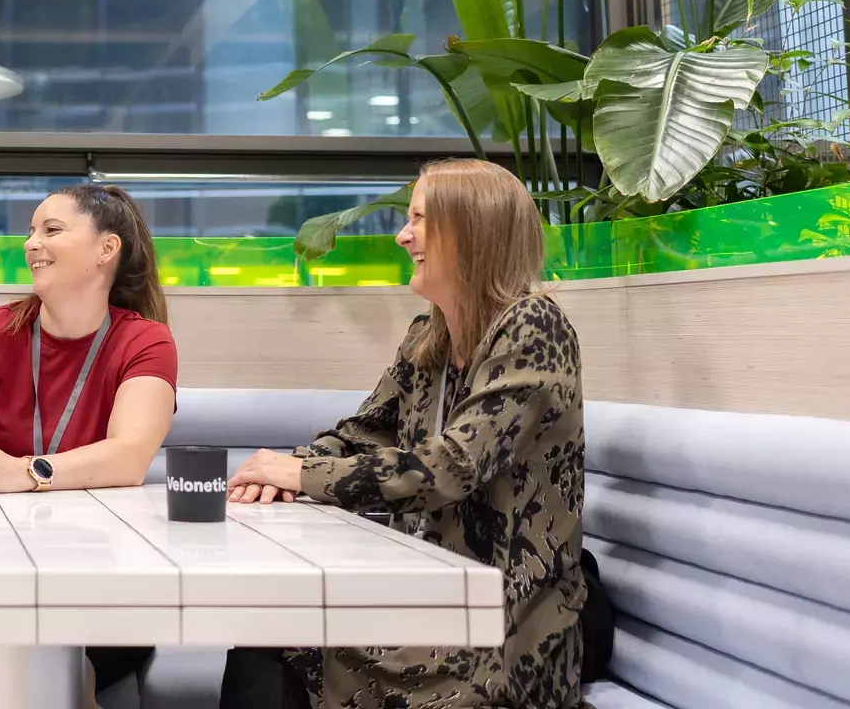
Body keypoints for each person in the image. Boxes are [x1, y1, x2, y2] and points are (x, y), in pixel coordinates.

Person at [221, 158, 586, 709]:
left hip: (501, 627)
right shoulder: (428, 335)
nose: (401, 235)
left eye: (419, 220)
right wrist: (279, 473)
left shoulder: (534, 325)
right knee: (263, 635)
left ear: (472, 230)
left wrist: (298, 472)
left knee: (278, 643)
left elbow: (450, 467)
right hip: (424, 596)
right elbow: (363, 433)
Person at [0, 182, 177, 699]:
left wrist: (26, 471)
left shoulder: (146, 340)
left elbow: (129, 456)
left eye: (51, 229)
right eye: (30, 231)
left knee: (56, 663)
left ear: (106, 249)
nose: (31, 243)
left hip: (103, 575)